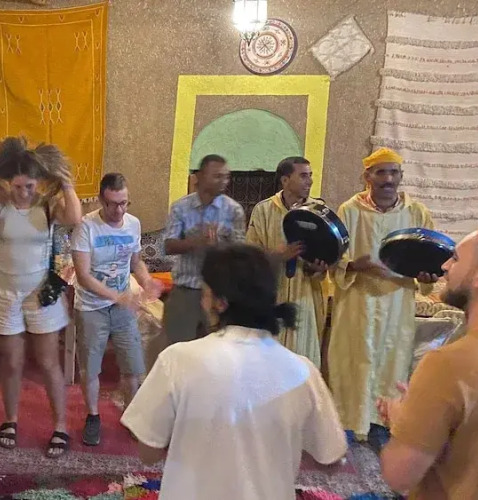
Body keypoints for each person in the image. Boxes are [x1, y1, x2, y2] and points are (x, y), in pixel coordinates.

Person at [121, 244, 347, 499]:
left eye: (205, 292)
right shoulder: (303, 371)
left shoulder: (177, 359)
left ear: (220, 303)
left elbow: (148, 452)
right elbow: (331, 460)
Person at [0, 136, 82, 458]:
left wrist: (66, 183)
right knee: (12, 362)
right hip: (5, 293)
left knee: (48, 362)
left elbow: (74, 218)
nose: (24, 192)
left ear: (38, 182)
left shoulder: (47, 204)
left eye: (30, 186)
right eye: (18, 186)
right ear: (8, 182)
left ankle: (60, 426)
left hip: (41, 293)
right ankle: (11, 420)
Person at [378, 222, 478, 499]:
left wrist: (402, 421)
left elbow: (399, 475)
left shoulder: (448, 364)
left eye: (456, 258)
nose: (445, 266)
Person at [327, 147, 439, 449]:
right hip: (357, 302)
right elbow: (334, 257)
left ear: (401, 176)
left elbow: (431, 259)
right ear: (367, 176)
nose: (388, 179)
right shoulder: (349, 210)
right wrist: (354, 265)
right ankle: (347, 422)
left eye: (393, 173)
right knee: (352, 360)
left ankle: (383, 422)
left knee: (392, 360)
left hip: (397, 303)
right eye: (381, 172)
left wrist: (427, 276)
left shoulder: (416, 213)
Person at [71, 173, 161, 446]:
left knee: (132, 367)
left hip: (122, 306)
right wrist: (118, 297)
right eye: (113, 204)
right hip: (91, 307)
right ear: (101, 200)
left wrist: (146, 281)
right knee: (90, 369)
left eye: (124, 203)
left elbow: (136, 262)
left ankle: (131, 417)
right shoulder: (86, 227)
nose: (119, 210)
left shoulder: (133, 224)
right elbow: (83, 275)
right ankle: (93, 416)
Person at [247, 156, 328, 368]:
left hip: (306, 296)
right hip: (273, 296)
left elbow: (330, 256)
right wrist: (276, 255)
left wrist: (318, 267)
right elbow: (250, 256)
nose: (309, 181)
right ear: (285, 180)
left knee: (303, 362)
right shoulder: (264, 210)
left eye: (310, 175)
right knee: (268, 364)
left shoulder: (319, 211)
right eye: (303, 176)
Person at [163, 154, 246, 344]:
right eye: (217, 176)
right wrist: (197, 242)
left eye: (226, 176)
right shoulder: (180, 208)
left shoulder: (233, 210)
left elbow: (240, 252)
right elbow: (169, 245)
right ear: (199, 176)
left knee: (216, 351)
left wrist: (218, 246)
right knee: (179, 349)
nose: (223, 181)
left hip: (219, 293)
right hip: (185, 291)